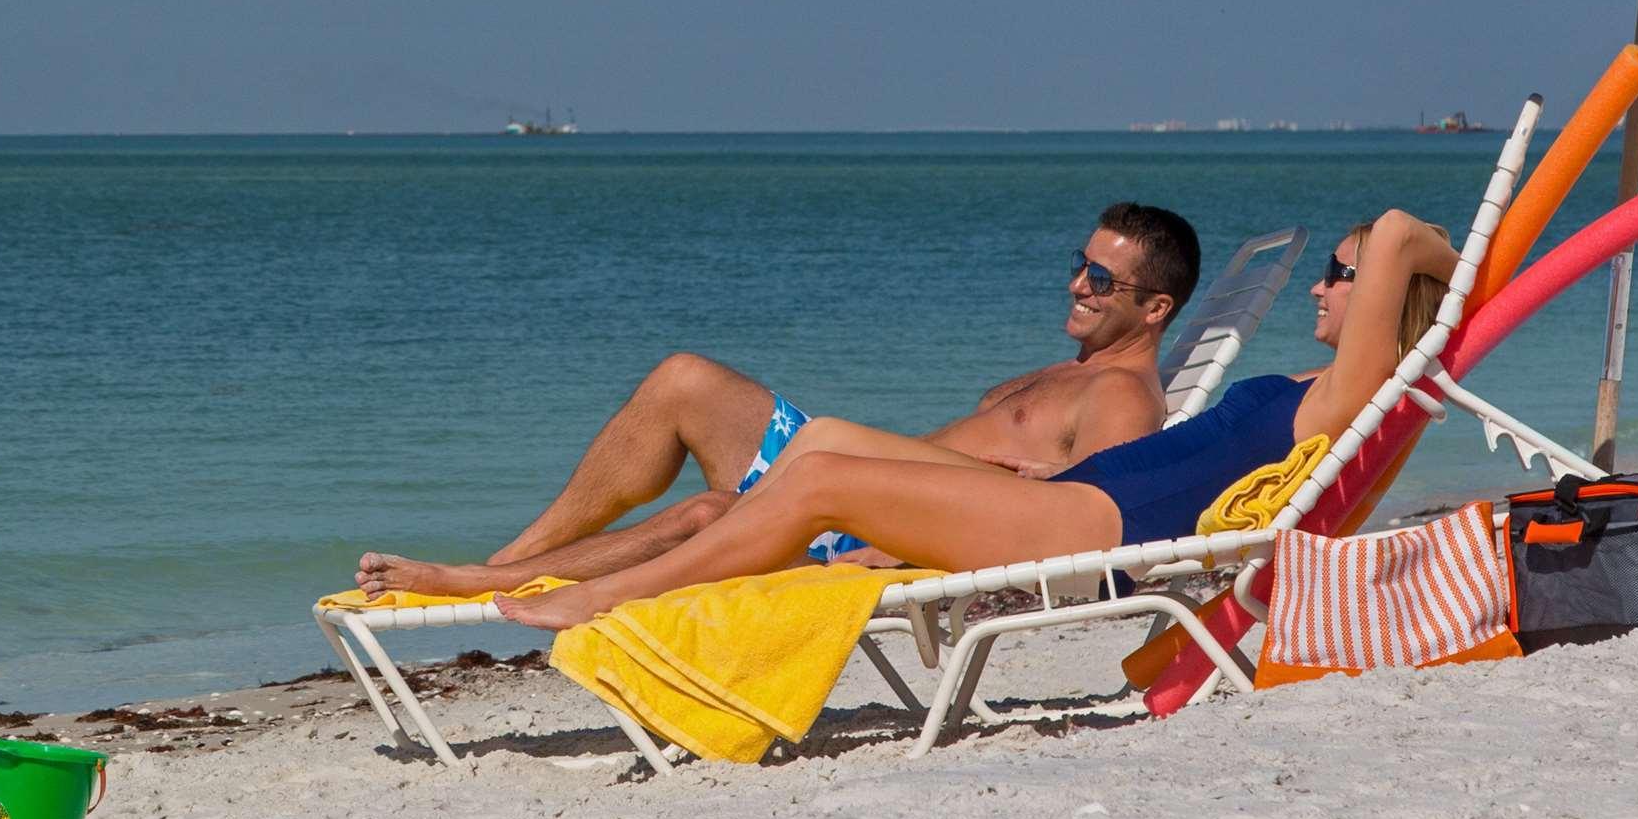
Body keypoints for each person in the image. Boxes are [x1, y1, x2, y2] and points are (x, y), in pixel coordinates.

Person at [495, 210, 1454, 634]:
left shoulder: (1345, 397)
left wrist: (1451, 275)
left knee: (820, 478)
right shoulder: (1303, 382)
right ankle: (546, 577)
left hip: (1098, 530)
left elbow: (1405, 228)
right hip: (1080, 504)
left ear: (1382, 297)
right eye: (1333, 269)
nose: (1327, 286)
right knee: (820, 445)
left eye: (1344, 272)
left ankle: (602, 599)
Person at [354, 203, 1202, 600]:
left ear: (1155, 308)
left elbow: (1087, 520)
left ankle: (481, 584)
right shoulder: (1074, 368)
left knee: (708, 513)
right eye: (1079, 263)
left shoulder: (1122, 395)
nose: (1076, 284)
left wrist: (891, 550)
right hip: (855, 491)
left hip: (872, 524)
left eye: (1100, 278)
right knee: (685, 377)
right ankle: (515, 558)